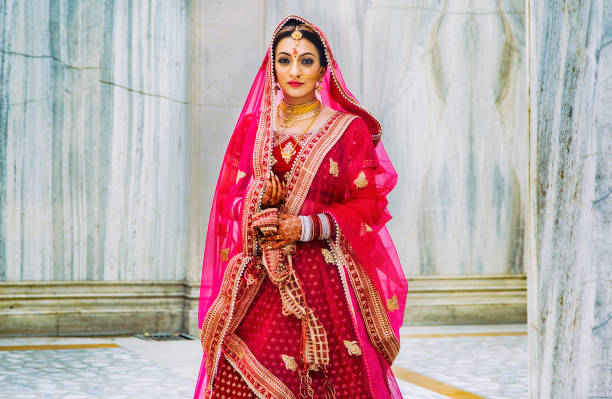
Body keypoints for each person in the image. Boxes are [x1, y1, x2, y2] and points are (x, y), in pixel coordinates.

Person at [194, 15, 408, 399]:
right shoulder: (254, 128)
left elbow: (368, 205)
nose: (294, 71)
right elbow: (231, 199)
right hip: (260, 277)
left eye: (306, 61)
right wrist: (260, 200)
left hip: (325, 281)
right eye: (284, 60)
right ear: (271, 66)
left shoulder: (347, 129)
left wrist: (305, 227)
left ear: (323, 69)